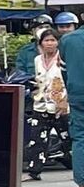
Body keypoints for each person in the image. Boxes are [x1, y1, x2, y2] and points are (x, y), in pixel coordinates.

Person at [25, 28, 68, 178]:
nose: (49, 44)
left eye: (52, 40)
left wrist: (65, 100)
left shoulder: (62, 58)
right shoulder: (38, 60)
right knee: (37, 139)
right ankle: (34, 171)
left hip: (60, 103)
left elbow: (67, 79)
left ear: (58, 42)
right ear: (41, 43)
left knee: (68, 138)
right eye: (46, 40)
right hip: (41, 102)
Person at [59, 16, 84, 187]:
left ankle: (82, 183)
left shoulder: (67, 40)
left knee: (80, 137)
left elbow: (64, 71)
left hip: (77, 94)